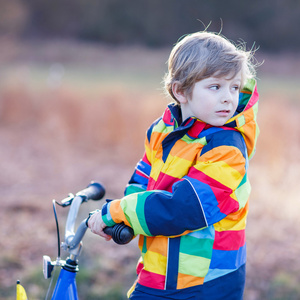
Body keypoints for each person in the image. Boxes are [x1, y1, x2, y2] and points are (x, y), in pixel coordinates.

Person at [88, 31, 259, 300]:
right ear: (181, 91)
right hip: (158, 272)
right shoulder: (163, 130)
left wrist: (117, 212)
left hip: (205, 284)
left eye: (234, 87)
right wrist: (125, 220)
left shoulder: (227, 148)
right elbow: (142, 179)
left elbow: (185, 209)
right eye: (215, 87)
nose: (228, 97)